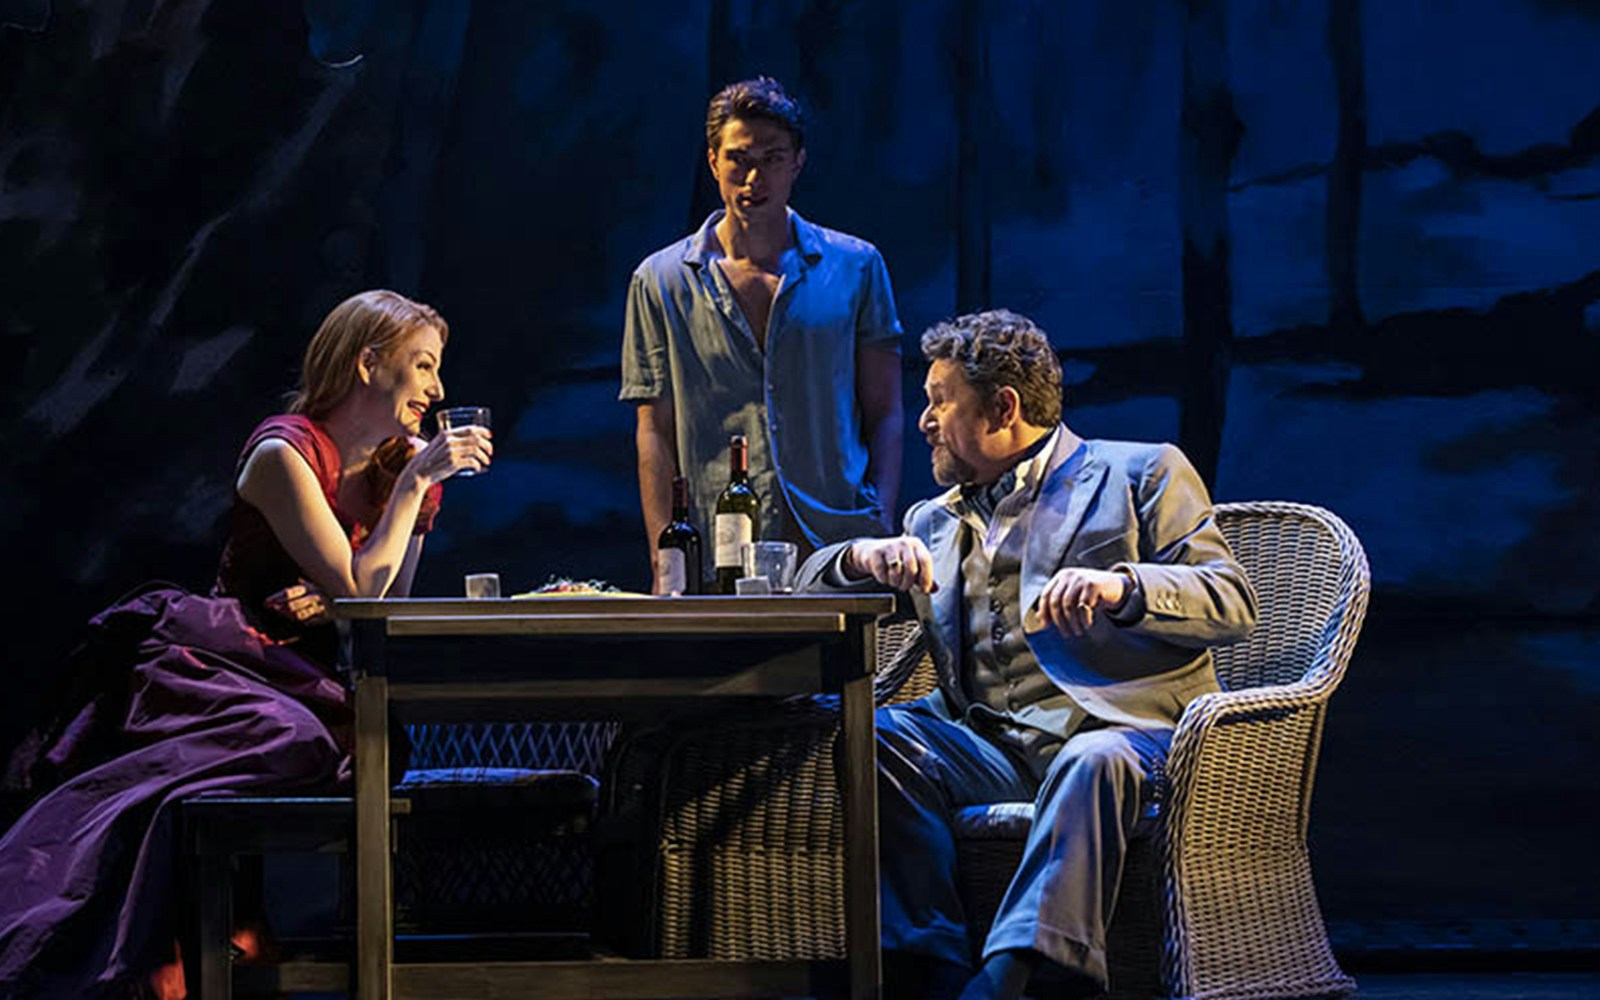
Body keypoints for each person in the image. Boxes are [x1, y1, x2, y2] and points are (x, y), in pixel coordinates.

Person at [0, 289, 491, 997]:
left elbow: (379, 605)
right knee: (284, 735)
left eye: (437, 371)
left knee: (366, 743)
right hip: (234, 665)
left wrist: (378, 538)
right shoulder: (283, 452)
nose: (437, 389)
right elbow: (361, 586)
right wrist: (410, 491)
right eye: (421, 366)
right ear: (366, 364)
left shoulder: (398, 472)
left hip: (322, 673)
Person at [798, 309, 1257, 1000]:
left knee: (1088, 758)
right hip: (992, 750)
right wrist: (861, 556)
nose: (923, 420)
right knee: (878, 734)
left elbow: (1231, 601)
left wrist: (1123, 585)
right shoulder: (933, 520)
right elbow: (807, 588)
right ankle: (927, 962)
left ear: (1003, 407)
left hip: (1127, 739)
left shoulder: (1140, 472)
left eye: (940, 400)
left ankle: (1015, 974)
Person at [620, 76, 904, 592]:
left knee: (844, 673)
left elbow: (885, 409)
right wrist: (667, 560)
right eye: (740, 159)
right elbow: (654, 428)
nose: (755, 177)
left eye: (772, 159)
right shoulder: (661, 280)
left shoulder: (856, 266)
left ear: (797, 162)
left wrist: (880, 517)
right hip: (716, 545)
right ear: (713, 162)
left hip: (835, 538)